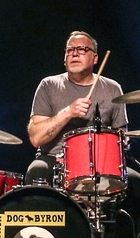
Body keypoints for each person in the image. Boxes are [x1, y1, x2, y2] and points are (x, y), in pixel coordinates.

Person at [26, 30, 128, 185]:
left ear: (95, 58)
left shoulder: (113, 88)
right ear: (64, 59)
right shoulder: (48, 85)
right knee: (36, 171)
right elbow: (36, 138)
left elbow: (122, 136)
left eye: (82, 49)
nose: (74, 54)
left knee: (136, 181)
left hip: (100, 162)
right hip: (54, 160)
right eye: (70, 50)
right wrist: (68, 112)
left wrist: (124, 141)